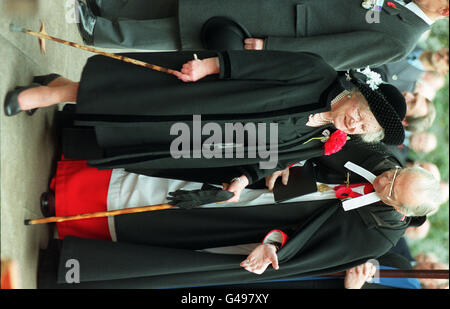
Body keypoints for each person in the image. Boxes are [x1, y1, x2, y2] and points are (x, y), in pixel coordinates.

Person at [4, 51, 407, 201]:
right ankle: (51, 94)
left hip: (201, 139)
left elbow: (269, 157)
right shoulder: (316, 73)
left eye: (362, 128)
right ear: (356, 94)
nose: (353, 124)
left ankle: (59, 90)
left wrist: (244, 178)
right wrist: (209, 67)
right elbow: (259, 66)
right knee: (133, 100)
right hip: (205, 98)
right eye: (361, 114)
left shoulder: (323, 141)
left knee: (135, 133)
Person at [36, 141, 441, 288]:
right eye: (393, 176)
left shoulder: (380, 235)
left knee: (171, 218)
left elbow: (313, 251)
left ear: (404, 213)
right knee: (168, 176)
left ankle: (69, 213)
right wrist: (285, 160)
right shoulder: (382, 158)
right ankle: (70, 185)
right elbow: (323, 144)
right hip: (269, 178)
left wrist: (272, 245)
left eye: (391, 193)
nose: (382, 183)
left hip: (261, 222)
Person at [74, 0, 449, 70]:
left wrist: (274, 48)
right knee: (187, 4)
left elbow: (335, 54)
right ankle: (108, 5)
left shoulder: (401, 40)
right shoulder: (402, 4)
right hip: (279, 4)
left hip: (282, 27)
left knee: (186, 30)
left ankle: (102, 31)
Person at [373, 47, 449, 93]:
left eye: (448, 62)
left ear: (443, 71)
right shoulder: (410, 37)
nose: (444, 57)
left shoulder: (406, 88)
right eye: (448, 53)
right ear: (445, 48)